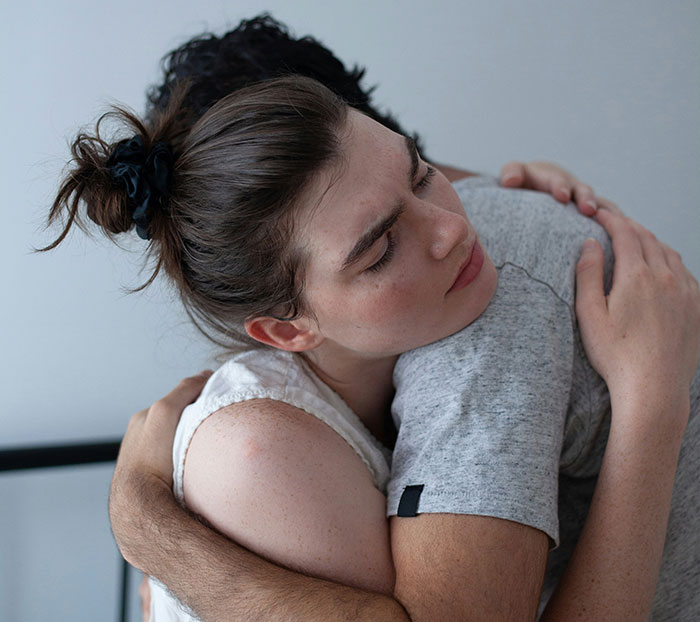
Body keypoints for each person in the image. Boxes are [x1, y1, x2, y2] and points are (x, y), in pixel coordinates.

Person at [44, 71, 700, 620]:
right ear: (287, 330)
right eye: (380, 250)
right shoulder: (258, 450)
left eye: (420, 175)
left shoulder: (440, 310)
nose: (451, 227)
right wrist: (651, 406)